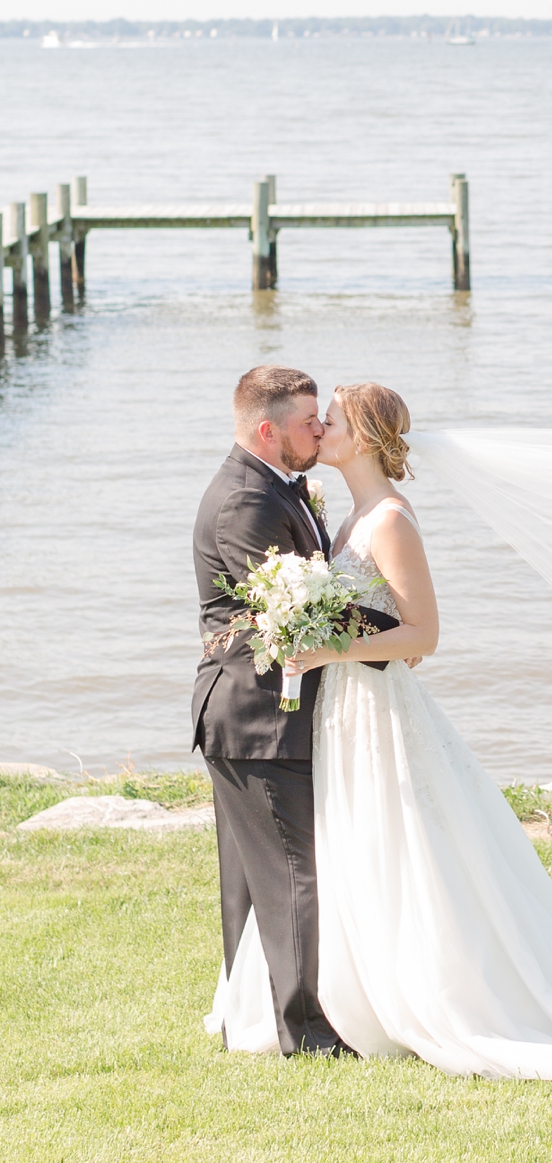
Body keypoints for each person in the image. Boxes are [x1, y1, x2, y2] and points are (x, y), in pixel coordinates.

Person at [208, 381, 552, 1078]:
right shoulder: (346, 518)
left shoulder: (391, 521)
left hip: (377, 712)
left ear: (365, 438)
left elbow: (423, 635)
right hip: (343, 711)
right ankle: (354, 997)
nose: (320, 430)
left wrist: (328, 647)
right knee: (358, 847)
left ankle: (443, 995)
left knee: (405, 847)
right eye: (318, 421)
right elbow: (385, 631)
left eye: (333, 421)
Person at [192, 365, 353, 1056]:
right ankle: (307, 1033)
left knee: (260, 879)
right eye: (308, 421)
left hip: (260, 710)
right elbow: (294, 614)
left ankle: (247, 1014)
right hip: (256, 713)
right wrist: (390, 634)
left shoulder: (277, 485)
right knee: (293, 871)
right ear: (268, 430)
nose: (319, 430)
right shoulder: (244, 503)